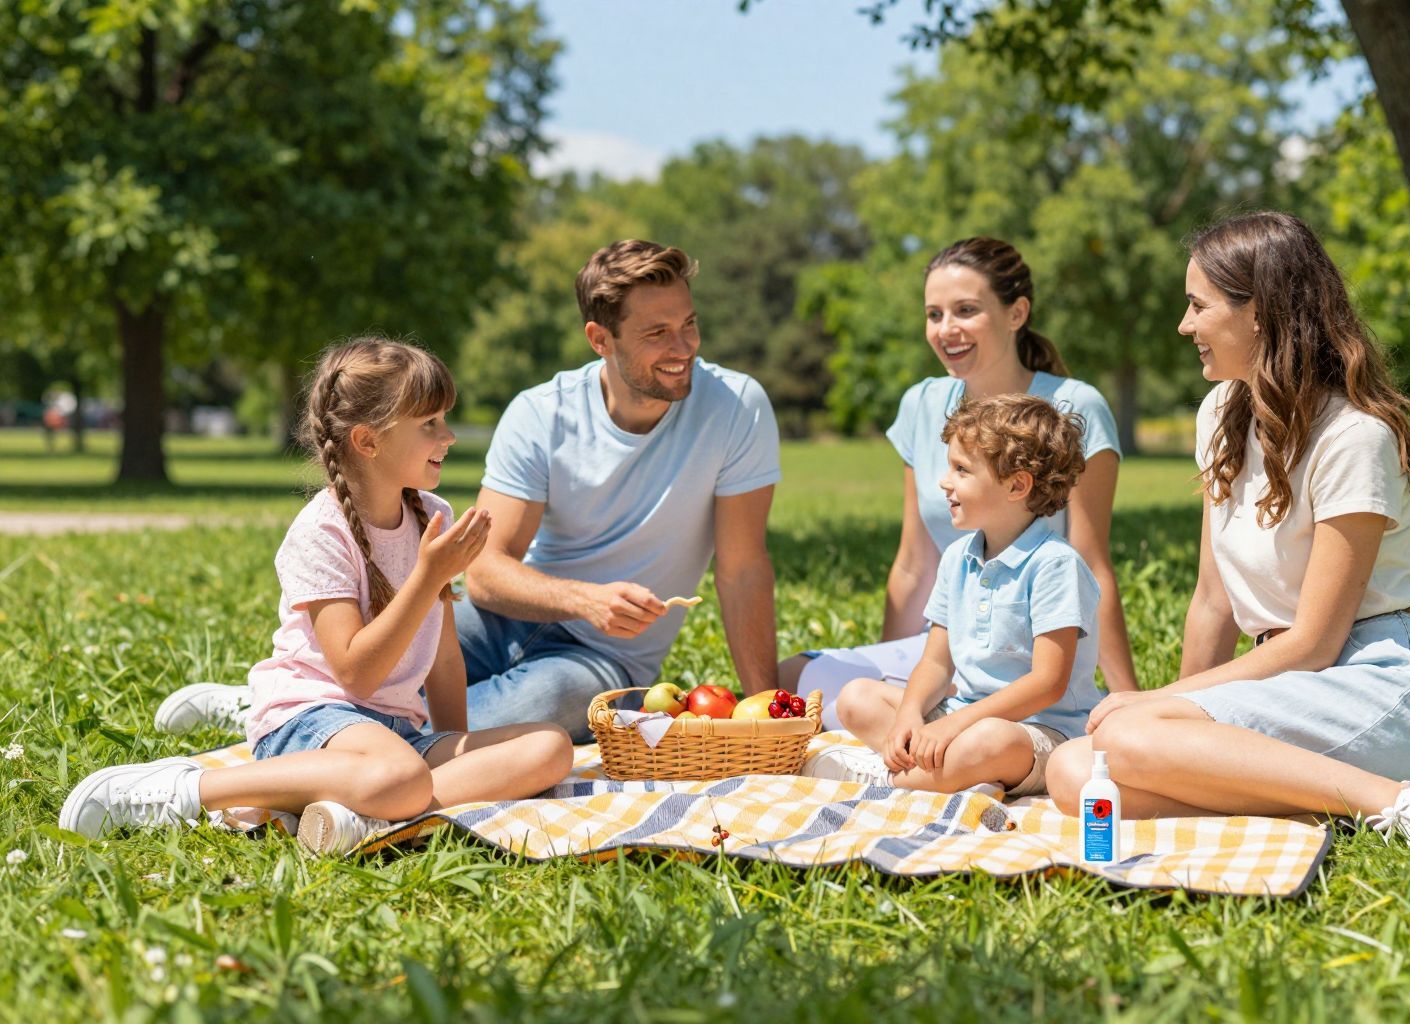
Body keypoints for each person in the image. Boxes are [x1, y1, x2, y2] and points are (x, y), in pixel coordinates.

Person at [155, 240, 780, 741]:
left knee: (555, 700)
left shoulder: (736, 408)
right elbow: (483, 573)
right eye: (657, 334)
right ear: (600, 339)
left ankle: (331, 728)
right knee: (404, 642)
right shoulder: (543, 413)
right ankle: (287, 711)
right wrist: (585, 599)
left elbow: (744, 567)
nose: (684, 349)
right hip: (509, 614)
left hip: (606, 657)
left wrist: (766, 711)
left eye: (689, 325)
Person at [1045, 211, 1410, 852]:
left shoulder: (1352, 437)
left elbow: (1314, 641)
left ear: (1259, 312)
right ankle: (1320, 812)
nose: (1185, 326)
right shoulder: (1221, 413)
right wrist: (1172, 718)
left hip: (1376, 681)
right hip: (1284, 680)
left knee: (1122, 739)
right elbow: (1212, 599)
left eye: (1198, 307)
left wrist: (1161, 706)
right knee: (1074, 773)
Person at [60, 339, 574, 853]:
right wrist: (428, 575)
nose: (450, 436)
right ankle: (187, 788)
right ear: (367, 441)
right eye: (429, 425)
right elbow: (356, 673)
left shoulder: (428, 513)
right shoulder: (321, 533)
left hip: (397, 736)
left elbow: (443, 658)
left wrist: (456, 750)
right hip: (313, 717)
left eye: (444, 419)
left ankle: (372, 815)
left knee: (550, 748)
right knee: (400, 776)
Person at [785, 237, 1136, 729]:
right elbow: (913, 564)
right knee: (798, 678)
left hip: (1029, 654)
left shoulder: (1074, 406)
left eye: (966, 310)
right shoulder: (922, 403)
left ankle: (963, 746)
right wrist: (895, 671)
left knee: (848, 704)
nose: (946, 330)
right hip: (951, 649)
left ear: (1017, 313)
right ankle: (937, 745)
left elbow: (1092, 561)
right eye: (934, 314)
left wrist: (1129, 699)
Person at [802, 394, 1101, 797]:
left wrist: (954, 726)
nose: (945, 481)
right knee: (857, 697)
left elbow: (1047, 683)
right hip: (963, 715)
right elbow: (935, 661)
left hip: (1039, 731)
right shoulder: (958, 558)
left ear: (1016, 485)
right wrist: (911, 713)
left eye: (962, 470)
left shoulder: (1055, 566)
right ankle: (943, 773)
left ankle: (885, 779)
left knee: (991, 742)